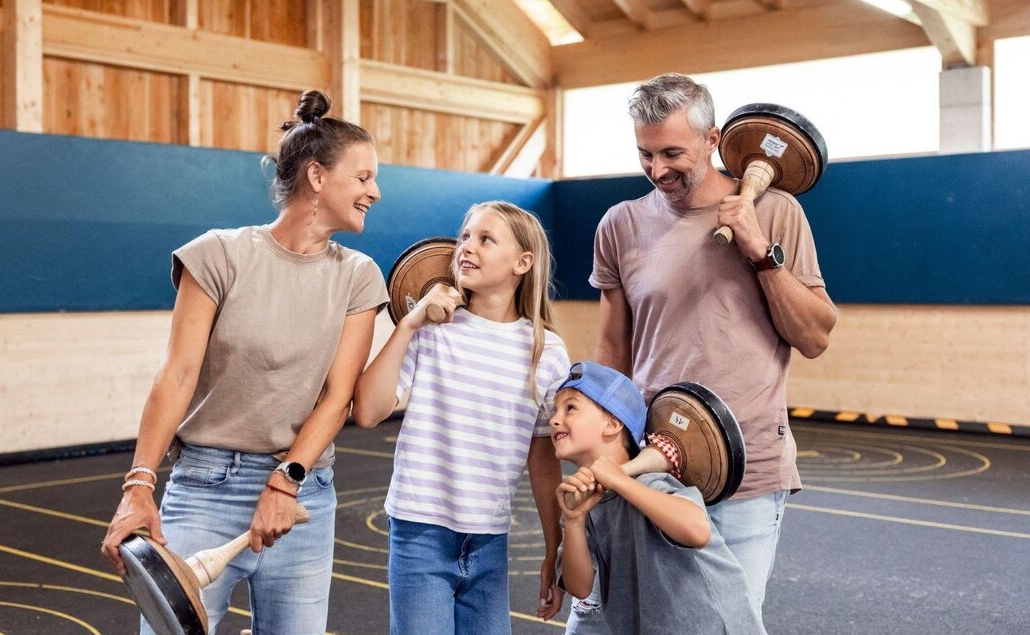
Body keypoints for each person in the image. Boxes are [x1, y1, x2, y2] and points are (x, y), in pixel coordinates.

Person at [100, 89, 388, 635]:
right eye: (364, 177)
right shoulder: (217, 254)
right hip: (205, 485)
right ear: (317, 178)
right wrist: (138, 485)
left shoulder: (358, 276)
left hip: (302, 495)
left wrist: (285, 482)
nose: (375, 191)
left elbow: (337, 397)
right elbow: (177, 375)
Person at [568, 73, 838, 631]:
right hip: (651, 467)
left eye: (673, 153)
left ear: (714, 140)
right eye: (645, 154)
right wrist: (604, 451)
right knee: (627, 621)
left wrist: (760, 251)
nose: (658, 169)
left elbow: (814, 337)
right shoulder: (619, 225)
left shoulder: (777, 210)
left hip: (746, 475)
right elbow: (614, 350)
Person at [352, 201, 570, 634]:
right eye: (466, 236)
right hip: (420, 533)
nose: (467, 247)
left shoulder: (547, 353)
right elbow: (369, 412)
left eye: (486, 239)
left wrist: (553, 546)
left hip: (489, 539)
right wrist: (410, 323)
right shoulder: (432, 332)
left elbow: (543, 460)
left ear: (522, 263)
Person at [552, 361, 765, 635]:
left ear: (613, 423)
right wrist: (573, 521)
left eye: (570, 408)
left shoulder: (651, 482)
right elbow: (579, 587)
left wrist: (618, 478)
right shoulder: (582, 503)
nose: (555, 419)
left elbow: (697, 531)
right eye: (554, 411)